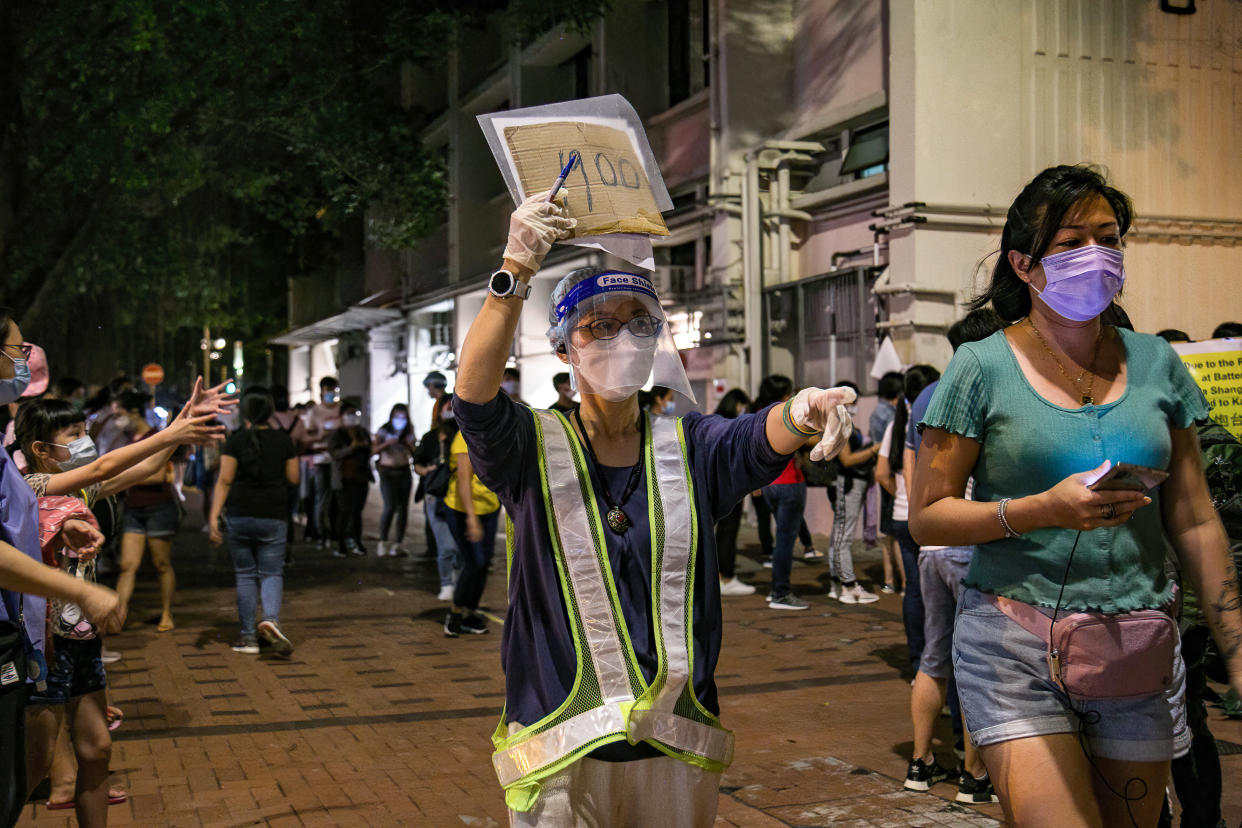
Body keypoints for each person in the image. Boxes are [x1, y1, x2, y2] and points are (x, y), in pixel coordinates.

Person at [453, 191, 855, 824]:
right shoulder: (530, 446)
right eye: (599, 325)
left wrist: (801, 412)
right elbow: (474, 396)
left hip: (672, 744)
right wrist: (515, 269)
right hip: (561, 748)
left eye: (639, 321)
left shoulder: (689, 446)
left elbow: (754, 437)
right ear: (564, 350)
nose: (622, 337)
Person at [909, 165, 1242, 826]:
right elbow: (926, 516)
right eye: (1070, 242)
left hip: (1137, 643)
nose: (1096, 254)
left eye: (1108, 236)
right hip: (1012, 639)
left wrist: (1236, 641)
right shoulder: (980, 368)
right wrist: (1042, 510)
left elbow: (1195, 515)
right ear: (1023, 263)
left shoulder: (1158, 363)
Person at [14, 380, 227, 825]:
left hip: (81, 641)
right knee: (32, 768)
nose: (85, 441)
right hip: (40, 645)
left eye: (82, 429)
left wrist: (184, 424)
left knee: (98, 750)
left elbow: (140, 467)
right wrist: (171, 433)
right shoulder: (31, 487)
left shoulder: (81, 493)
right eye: (72, 435)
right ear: (39, 448)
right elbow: (102, 467)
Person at [900, 309, 1004, 804]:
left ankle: (920, 763)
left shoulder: (927, 394)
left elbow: (909, 470)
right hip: (967, 540)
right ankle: (974, 774)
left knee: (934, 656)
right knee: (977, 660)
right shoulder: (987, 385)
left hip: (930, 544)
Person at [208, 388, 298, 656]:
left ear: (245, 413)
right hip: (273, 513)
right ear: (270, 412)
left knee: (245, 575)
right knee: (271, 572)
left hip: (240, 512)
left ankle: (247, 637)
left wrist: (213, 516)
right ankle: (270, 619)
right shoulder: (283, 441)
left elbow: (224, 479)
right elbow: (294, 478)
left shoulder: (236, 441)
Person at [876, 365, 941, 669]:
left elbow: (881, 473)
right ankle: (936, 663)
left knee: (913, 589)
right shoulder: (934, 418)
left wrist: (901, 496)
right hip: (929, 515)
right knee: (938, 594)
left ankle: (918, 661)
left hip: (902, 516)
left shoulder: (895, 425)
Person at [111, 391, 182, 632]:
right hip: (134, 508)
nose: (117, 419)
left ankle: (166, 613)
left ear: (133, 412)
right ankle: (117, 616)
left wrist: (122, 477)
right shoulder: (126, 439)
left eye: (119, 414)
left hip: (159, 507)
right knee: (127, 565)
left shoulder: (155, 438)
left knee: (161, 563)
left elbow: (159, 475)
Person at [753, 375, 814, 610]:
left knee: (782, 539)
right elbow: (805, 440)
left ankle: (776, 589)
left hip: (770, 483)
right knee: (785, 541)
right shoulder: (786, 414)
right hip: (790, 482)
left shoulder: (760, 414)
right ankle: (780, 591)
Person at [442, 400, 501, 637]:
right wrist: (471, 519)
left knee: (483, 564)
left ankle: (470, 613)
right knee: (474, 562)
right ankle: (455, 613)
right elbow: (464, 482)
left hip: (489, 507)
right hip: (462, 508)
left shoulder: (495, 436)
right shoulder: (463, 438)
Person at [823, 381, 882, 603]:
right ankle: (847, 585)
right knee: (843, 535)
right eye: (853, 400)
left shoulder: (842, 421)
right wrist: (874, 450)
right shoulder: (837, 422)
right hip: (847, 484)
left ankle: (837, 583)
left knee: (839, 533)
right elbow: (846, 459)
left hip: (850, 484)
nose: (856, 405)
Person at [414, 396, 461, 601]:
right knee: (446, 545)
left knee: (461, 545)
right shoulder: (431, 437)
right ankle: (446, 583)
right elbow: (418, 464)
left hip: (462, 496)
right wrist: (429, 470)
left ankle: (458, 580)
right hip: (437, 496)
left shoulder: (467, 434)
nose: (450, 410)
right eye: (447, 406)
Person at [712, 389, 755, 597]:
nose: (743, 410)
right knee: (728, 533)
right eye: (742, 405)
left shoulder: (713, 422)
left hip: (715, 486)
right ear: (736, 404)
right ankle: (725, 577)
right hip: (730, 486)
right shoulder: (731, 426)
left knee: (721, 533)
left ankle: (719, 576)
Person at [266, 385, 305, 566]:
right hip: (293, 468)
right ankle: (288, 552)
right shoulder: (297, 421)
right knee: (288, 512)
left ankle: (275, 550)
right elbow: (303, 446)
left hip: (272, 471)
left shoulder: (267, 420)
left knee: (274, 511)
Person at [372, 404, 416, 557]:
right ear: (391, 417)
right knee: (389, 506)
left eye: (403, 417)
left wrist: (407, 444)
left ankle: (398, 543)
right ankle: (383, 541)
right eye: (397, 417)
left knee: (403, 508)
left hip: (404, 471)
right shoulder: (384, 430)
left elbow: (414, 452)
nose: (400, 420)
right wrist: (386, 444)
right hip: (387, 472)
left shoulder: (409, 431)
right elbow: (373, 450)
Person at [328, 401, 370, 557]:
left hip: (361, 476)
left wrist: (363, 446)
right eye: (349, 414)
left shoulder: (363, 432)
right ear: (341, 416)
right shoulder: (336, 434)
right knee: (344, 511)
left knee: (357, 511)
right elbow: (334, 454)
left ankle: (357, 542)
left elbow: (369, 450)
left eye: (355, 413)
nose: (352, 417)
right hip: (343, 478)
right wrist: (352, 447)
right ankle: (341, 544)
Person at [303, 376, 342, 547]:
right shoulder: (315, 412)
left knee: (340, 499)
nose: (331, 393)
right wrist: (321, 437)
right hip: (321, 460)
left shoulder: (342, 410)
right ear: (322, 391)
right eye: (328, 390)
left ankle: (338, 533)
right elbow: (307, 436)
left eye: (334, 390)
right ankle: (321, 534)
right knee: (322, 499)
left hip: (340, 460)